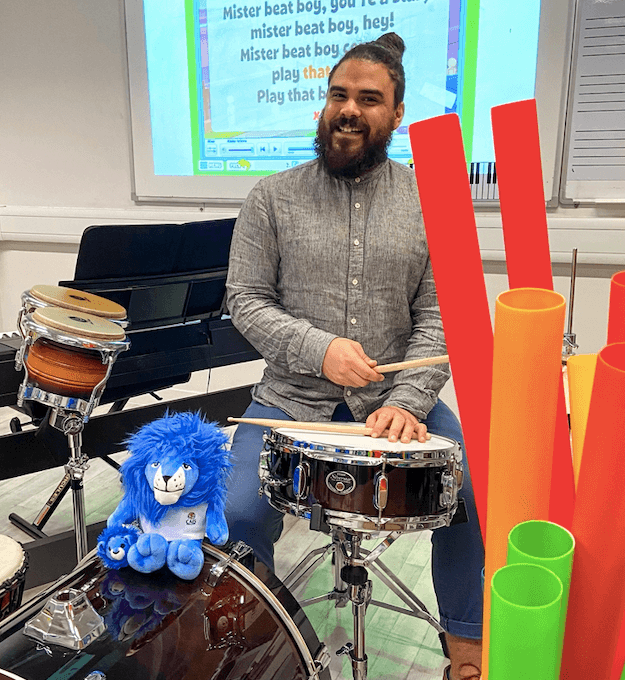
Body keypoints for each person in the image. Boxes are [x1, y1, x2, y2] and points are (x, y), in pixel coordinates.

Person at [224, 32, 484, 680]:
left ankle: (467, 648)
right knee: (234, 512)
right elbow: (246, 300)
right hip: (289, 399)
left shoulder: (433, 203)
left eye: (369, 99)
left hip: (397, 405)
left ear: (396, 115)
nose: (348, 110)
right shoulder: (270, 198)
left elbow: (440, 318)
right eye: (339, 94)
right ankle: (254, 640)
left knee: (472, 492)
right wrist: (320, 352)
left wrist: (405, 402)